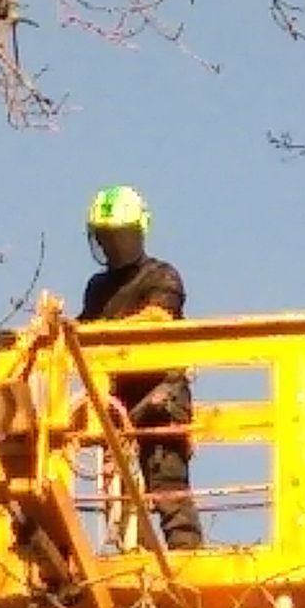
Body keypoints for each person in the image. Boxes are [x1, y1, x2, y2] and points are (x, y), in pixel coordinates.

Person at [77, 184, 202, 552]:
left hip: (160, 396)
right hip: (119, 404)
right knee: (128, 496)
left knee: (166, 483)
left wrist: (100, 332)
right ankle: (141, 552)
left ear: (138, 231)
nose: (112, 244)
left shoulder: (162, 276)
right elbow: (82, 334)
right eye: (106, 236)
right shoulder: (98, 289)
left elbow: (155, 319)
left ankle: (185, 555)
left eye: (119, 235)